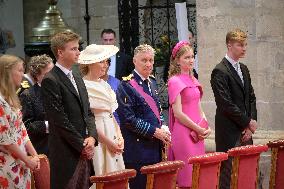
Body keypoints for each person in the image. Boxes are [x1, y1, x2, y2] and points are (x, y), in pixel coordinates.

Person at [41, 31, 98, 189]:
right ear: (60, 52)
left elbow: (88, 112)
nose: (78, 52)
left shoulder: (77, 76)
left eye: (78, 48)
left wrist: (92, 138)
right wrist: (82, 146)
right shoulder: (50, 80)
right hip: (66, 152)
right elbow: (59, 121)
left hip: (84, 149)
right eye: (73, 49)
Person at [116, 44, 171, 189]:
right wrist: (154, 131)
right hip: (138, 149)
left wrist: (163, 125)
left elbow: (158, 110)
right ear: (135, 61)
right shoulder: (126, 85)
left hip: (155, 146)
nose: (148, 64)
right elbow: (129, 119)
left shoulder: (152, 82)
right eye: (144, 60)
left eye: (151, 60)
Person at [210, 29, 257, 189]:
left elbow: (251, 98)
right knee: (228, 177)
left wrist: (251, 124)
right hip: (229, 132)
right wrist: (247, 122)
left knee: (247, 173)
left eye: (245, 45)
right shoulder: (219, 71)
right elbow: (225, 104)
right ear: (229, 45)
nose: (244, 48)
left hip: (246, 131)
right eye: (240, 45)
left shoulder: (244, 69)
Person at [78, 44, 125, 184]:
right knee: (102, 172)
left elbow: (111, 114)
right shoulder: (83, 86)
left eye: (106, 61)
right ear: (90, 64)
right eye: (101, 61)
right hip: (98, 135)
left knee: (117, 174)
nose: (105, 65)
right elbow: (88, 119)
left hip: (111, 131)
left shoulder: (105, 84)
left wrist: (119, 135)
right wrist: (108, 141)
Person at [167, 41, 211, 189]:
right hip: (184, 135)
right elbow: (178, 113)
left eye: (192, 57)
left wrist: (205, 125)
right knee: (187, 178)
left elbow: (199, 107)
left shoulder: (193, 79)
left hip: (197, 135)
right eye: (186, 57)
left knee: (199, 177)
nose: (191, 60)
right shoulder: (174, 81)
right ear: (178, 60)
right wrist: (198, 129)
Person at [0, 55, 40, 189]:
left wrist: (34, 155)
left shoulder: (11, 98)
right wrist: (27, 159)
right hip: (7, 165)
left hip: (21, 162)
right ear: (7, 72)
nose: (23, 75)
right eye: (20, 70)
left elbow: (22, 130)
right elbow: (6, 140)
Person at [19, 54, 54, 156]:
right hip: (42, 148)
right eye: (47, 73)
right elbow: (27, 126)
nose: (52, 76)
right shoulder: (28, 95)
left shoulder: (62, 91)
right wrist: (50, 125)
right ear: (37, 76)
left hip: (63, 148)